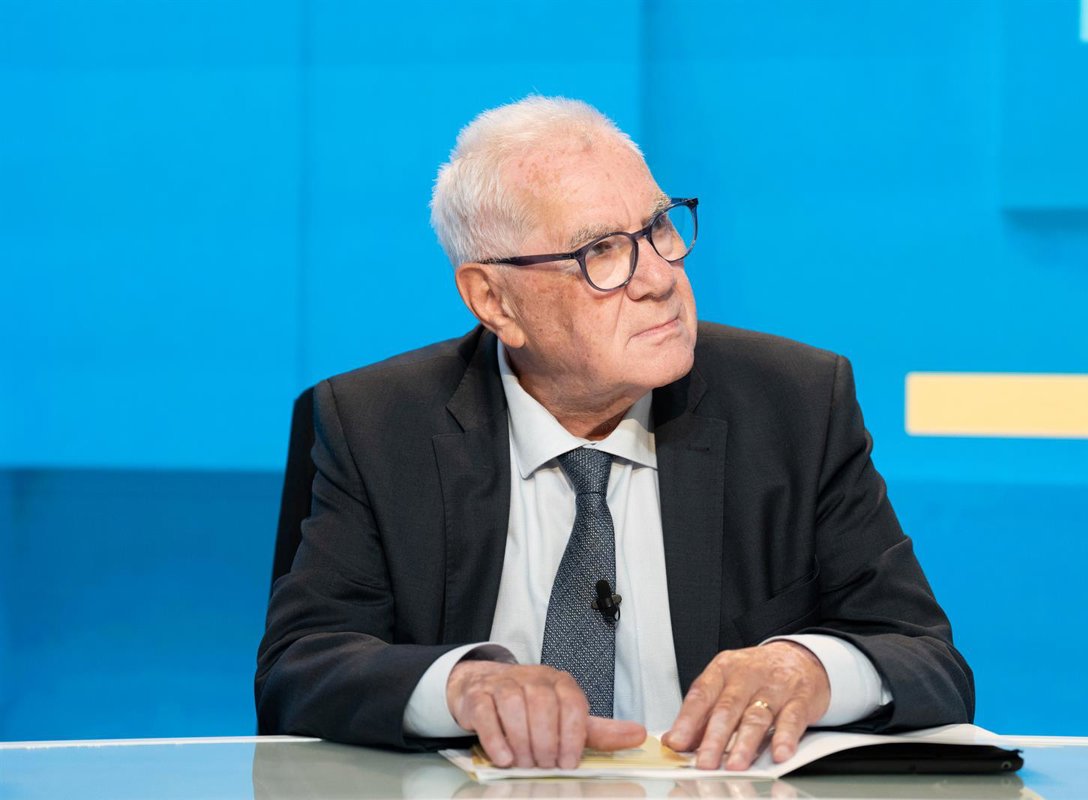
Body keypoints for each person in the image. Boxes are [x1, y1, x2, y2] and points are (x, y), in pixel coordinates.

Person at [255, 96, 973, 771]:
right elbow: (300, 667)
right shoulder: (378, 424)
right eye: (600, 250)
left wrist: (808, 667)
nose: (660, 278)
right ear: (493, 300)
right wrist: (461, 686)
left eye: (660, 227)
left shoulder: (795, 403)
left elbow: (926, 660)